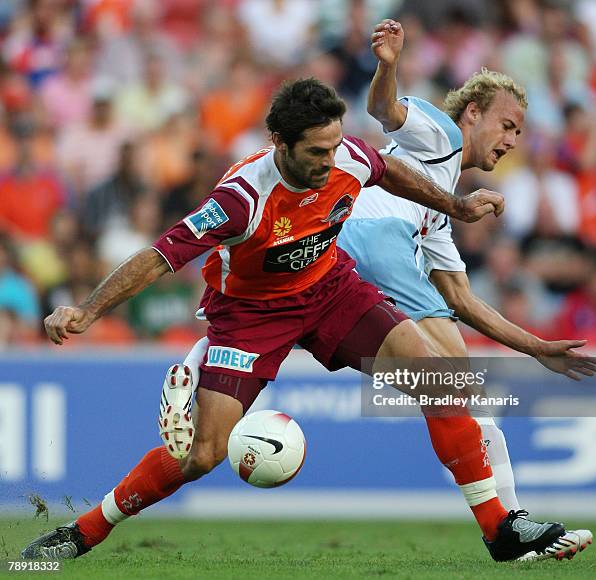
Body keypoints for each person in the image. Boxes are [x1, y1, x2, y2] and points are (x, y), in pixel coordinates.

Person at [23, 78, 568, 563]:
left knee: (438, 381)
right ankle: (84, 531)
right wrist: (87, 310)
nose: (329, 162)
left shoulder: (346, 156)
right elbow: (158, 257)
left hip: (332, 289)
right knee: (202, 455)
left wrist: (457, 206)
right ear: (279, 145)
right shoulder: (241, 199)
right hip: (251, 317)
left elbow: (388, 171)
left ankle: (500, 528)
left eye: (333, 146)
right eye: (315, 152)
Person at [336, 20, 596, 560]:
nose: (511, 141)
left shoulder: (437, 210)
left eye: (520, 134)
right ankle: (508, 526)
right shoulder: (439, 134)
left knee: (461, 401)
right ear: (472, 112)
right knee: (461, 391)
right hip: (375, 243)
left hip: (341, 256)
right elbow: (385, 111)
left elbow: (461, 298)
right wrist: (387, 65)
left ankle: (511, 530)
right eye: (507, 125)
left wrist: (537, 347)